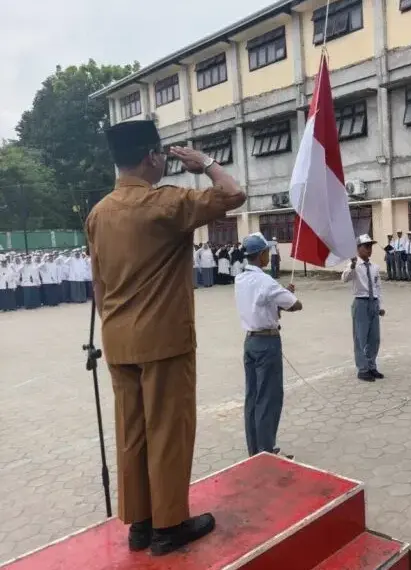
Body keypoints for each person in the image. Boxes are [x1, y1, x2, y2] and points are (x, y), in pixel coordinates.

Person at [85, 120, 246, 555]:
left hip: (118, 340)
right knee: (168, 431)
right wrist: (205, 162)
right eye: (161, 155)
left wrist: (114, 323)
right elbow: (234, 194)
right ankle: (169, 526)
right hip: (163, 341)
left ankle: (140, 524)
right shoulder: (166, 202)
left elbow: (98, 284)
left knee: (132, 432)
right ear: (152, 157)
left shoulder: (98, 213)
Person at [235, 233, 302, 457]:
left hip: (250, 341)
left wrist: (280, 297)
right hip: (267, 343)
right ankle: (266, 453)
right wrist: (287, 296)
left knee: (253, 397)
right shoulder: (265, 281)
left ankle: (256, 450)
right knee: (268, 398)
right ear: (261, 254)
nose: (268, 255)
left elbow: (262, 306)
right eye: (267, 252)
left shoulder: (240, 279)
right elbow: (296, 305)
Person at [342, 234, 386, 382]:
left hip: (373, 303)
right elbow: (344, 278)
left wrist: (380, 305)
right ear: (358, 248)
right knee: (360, 338)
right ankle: (363, 369)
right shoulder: (353, 265)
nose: (369, 249)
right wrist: (352, 266)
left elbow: (378, 287)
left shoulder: (374, 267)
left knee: (374, 338)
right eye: (366, 246)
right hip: (360, 303)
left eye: (370, 246)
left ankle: (371, 366)